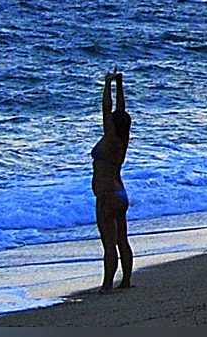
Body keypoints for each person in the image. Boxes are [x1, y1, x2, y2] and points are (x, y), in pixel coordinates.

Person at [92, 70, 134, 292]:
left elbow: (106, 110)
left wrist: (107, 84)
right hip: (120, 194)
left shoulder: (110, 139)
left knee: (109, 244)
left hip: (107, 197)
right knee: (122, 240)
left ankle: (107, 284)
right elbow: (120, 111)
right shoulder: (123, 139)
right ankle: (125, 281)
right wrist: (120, 84)